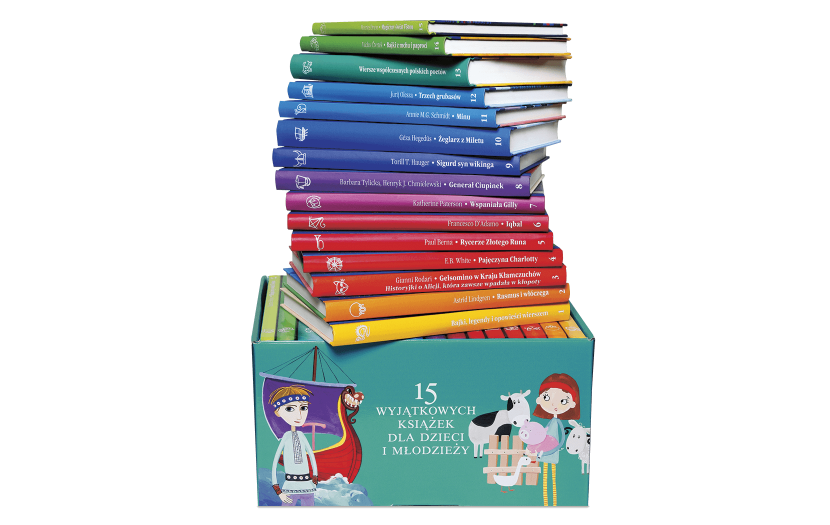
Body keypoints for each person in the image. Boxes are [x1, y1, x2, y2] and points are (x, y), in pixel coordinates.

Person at [531, 373, 580, 507]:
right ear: (539, 399)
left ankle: (554, 504)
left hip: (553, 450)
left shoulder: (557, 422)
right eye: (547, 398)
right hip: (544, 450)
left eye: (563, 401)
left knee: (553, 476)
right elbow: (543, 433)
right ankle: (546, 503)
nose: (553, 404)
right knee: (544, 476)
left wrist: (556, 447)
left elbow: (562, 438)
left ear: (572, 403)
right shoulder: (550, 422)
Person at [270, 385, 319, 506]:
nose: (299, 415)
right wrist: (278, 491)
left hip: (308, 485)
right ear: (278, 412)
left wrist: (315, 477)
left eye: (303, 408)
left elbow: (311, 456)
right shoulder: (285, 437)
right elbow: (275, 462)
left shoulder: (302, 435)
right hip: (289, 486)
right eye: (290, 409)